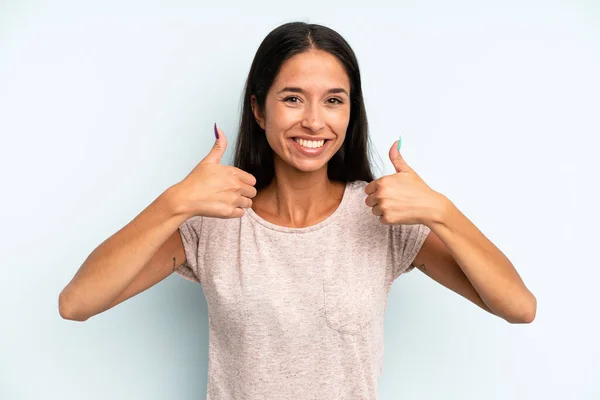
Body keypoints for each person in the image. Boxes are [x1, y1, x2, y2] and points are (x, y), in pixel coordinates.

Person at [59, 21, 536, 399]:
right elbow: (76, 303)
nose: (313, 120)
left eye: (334, 100)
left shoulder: (382, 220)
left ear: (350, 114)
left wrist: (441, 211)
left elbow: (519, 308)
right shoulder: (213, 222)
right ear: (259, 111)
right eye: (292, 99)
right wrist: (175, 201)